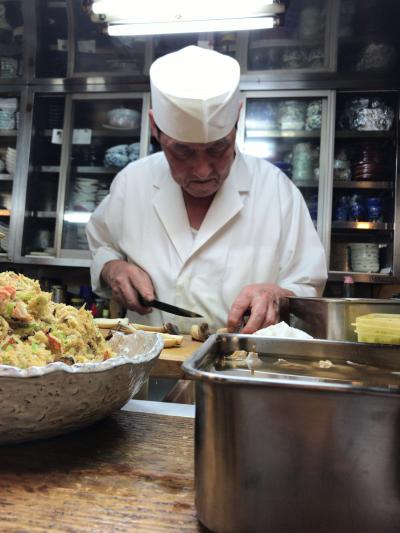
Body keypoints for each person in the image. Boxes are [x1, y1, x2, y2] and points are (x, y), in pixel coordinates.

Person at [86, 45, 327, 334]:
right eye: (182, 152)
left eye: (218, 149)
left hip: (243, 370)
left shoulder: (276, 192)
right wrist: (113, 269)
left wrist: (279, 296)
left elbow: (308, 287)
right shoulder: (132, 183)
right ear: (154, 128)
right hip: (148, 369)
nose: (202, 170)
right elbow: (102, 246)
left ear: (237, 119)